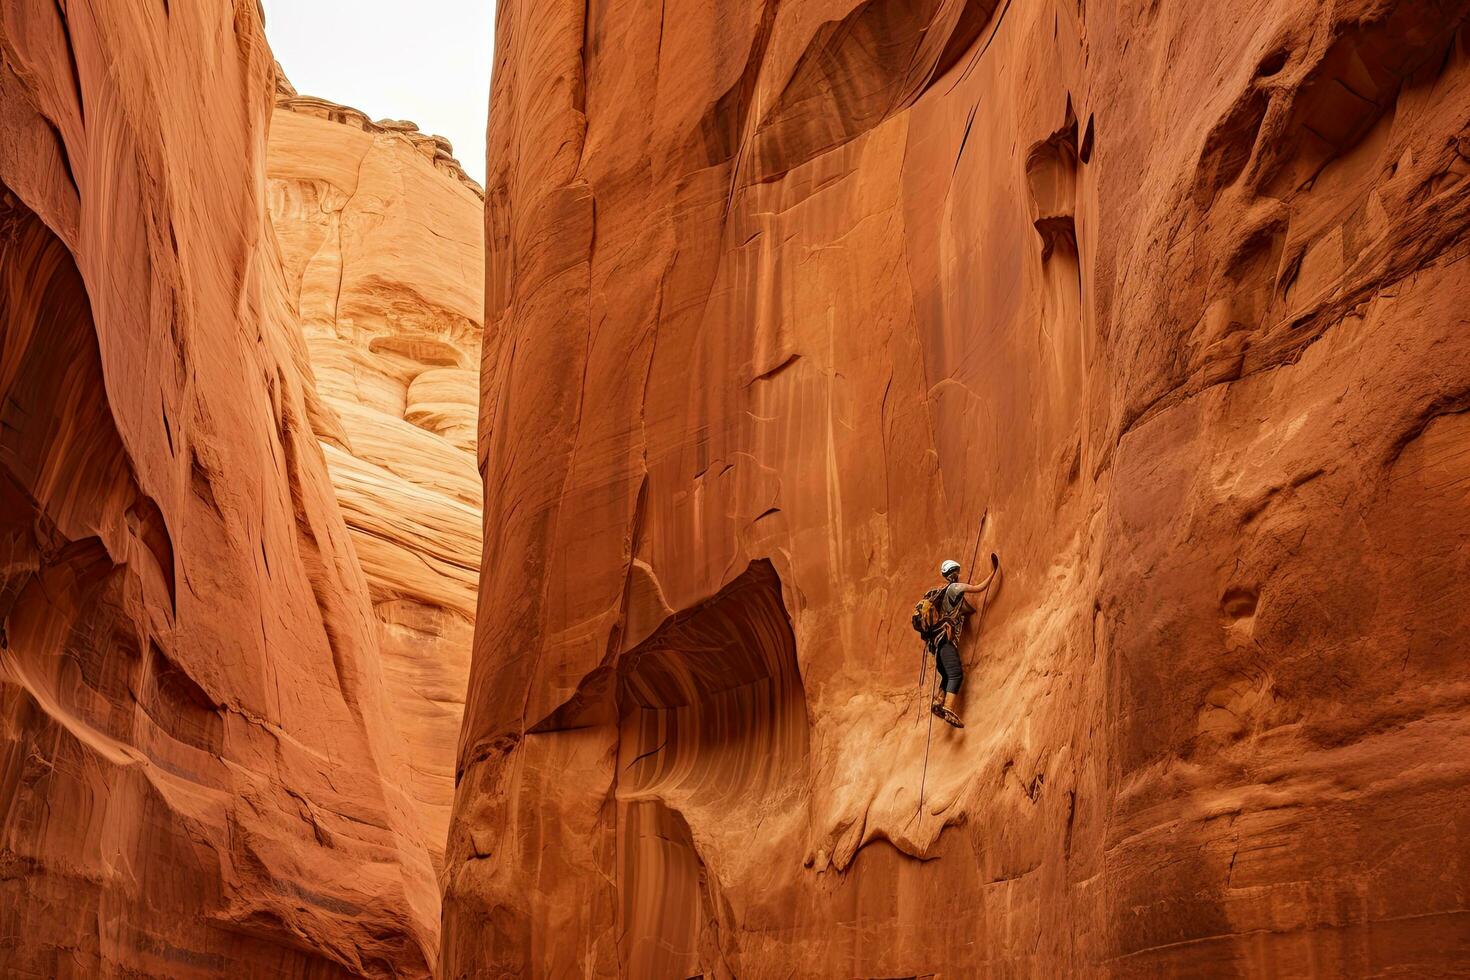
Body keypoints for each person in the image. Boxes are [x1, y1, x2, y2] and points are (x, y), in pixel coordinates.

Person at [929, 557, 996, 728]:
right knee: (956, 674)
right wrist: (993, 572)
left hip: (938, 645)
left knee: (946, 674)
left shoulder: (946, 594)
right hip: (946, 642)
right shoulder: (955, 588)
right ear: (955, 572)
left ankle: (938, 701)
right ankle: (948, 708)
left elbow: (969, 610)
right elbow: (979, 588)